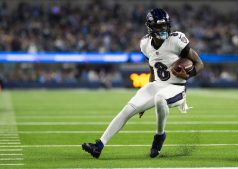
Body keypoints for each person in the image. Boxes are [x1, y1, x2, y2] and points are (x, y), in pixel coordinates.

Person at [82, 8, 204, 159]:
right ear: (150, 27)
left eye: (165, 25)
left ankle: (159, 136)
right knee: (128, 109)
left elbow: (199, 63)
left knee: (160, 98)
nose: (164, 29)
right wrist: (145, 99)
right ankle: (99, 145)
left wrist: (189, 74)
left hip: (176, 87)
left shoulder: (177, 40)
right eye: (159, 26)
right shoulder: (145, 44)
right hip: (157, 85)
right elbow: (153, 69)